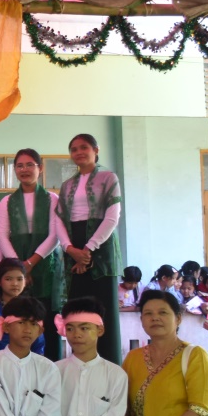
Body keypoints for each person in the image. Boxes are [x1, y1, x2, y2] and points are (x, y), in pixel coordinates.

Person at [55, 134, 123, 361]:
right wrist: (70, 249)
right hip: (73, 248)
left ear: (96, 149)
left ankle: (109, 369)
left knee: (104, 313)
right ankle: (79, 367)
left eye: (84, 147)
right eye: (74, 149)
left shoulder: (108, 177)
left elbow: (113, 217)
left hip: (101, 250)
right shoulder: (66, 185)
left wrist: (89, 249)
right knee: (78, 312)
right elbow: (59, 220)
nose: (79, 152)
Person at [0, 149, 65, 354]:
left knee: (46, 317)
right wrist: (19, 267)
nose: (24, 169)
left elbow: (55, 235)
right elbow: (2, 236)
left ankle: (50, 364)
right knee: (20, 315)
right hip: (15, 263)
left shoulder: (52, 199)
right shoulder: (7, 201)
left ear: (40, 168)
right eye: (19, 166)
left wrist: (30, 264)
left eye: (29, 165)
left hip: (45, 264)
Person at [0, 259, 45, 356]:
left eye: (19, 279)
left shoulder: (32, 307)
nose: (15, 284)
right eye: (8, 279)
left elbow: (38, 342)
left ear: (25, 281)